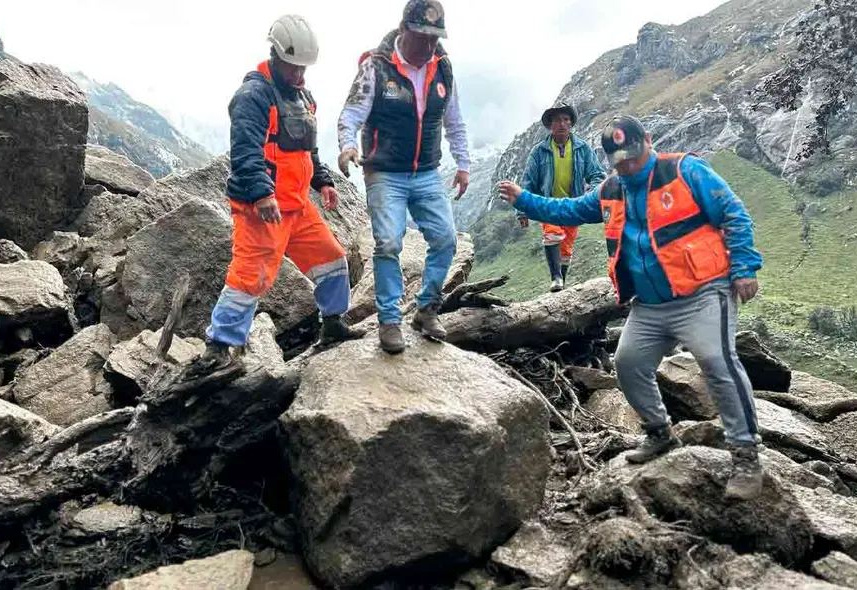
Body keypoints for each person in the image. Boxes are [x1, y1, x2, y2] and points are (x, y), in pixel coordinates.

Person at [498, 115, 765, 500]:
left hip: (704, 292)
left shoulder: (685, 171)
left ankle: (745, 455)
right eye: (619, 160)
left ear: (648, 142)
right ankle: (660, 434)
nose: (628, 166)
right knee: (627, 364)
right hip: (651, 305)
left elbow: (733, 214)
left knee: (716, 360)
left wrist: (744, 267)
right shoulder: (611, 190)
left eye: (633, 157)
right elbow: (568, 211)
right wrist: (524, 199)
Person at [194, 14, 363, 374]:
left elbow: (307, 150)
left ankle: (332, 325)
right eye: (293, 67)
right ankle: (219, 346)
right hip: (261, 209)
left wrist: (323, 181)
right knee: (249, 276)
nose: (300, 75)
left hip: (297, 206)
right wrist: (261, 195)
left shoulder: (305, 98)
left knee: (332, 258)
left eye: (304, 68)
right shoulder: (253, 96)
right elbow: (245, 152)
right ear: (275, 55)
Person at [336, 0, 470, 354]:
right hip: (384, 172)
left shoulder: (443, 68)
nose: (428, 45)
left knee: (445, 240)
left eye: (434, 38)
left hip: (426, 172)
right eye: (422, 37)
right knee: (389, 243)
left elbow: (454, 121)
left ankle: (426, 309)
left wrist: (464, 164)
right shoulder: (376, 67)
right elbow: (351, 115)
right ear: (404, 29)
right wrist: (348, 146)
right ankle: (389, 320)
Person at [517, 103, 606, 292]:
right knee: (553, 234)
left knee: (566, 246)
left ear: (571, 123)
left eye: (566, 119)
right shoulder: (539, 151)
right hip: (547, 204)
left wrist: (594, 193)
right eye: (557, 120)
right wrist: (522, 209)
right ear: (550, 125)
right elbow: (528, 182)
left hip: (573, 205)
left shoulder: (582, 148)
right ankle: (555, 277)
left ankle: (561, 283)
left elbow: (597, 174)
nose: (562, 124)